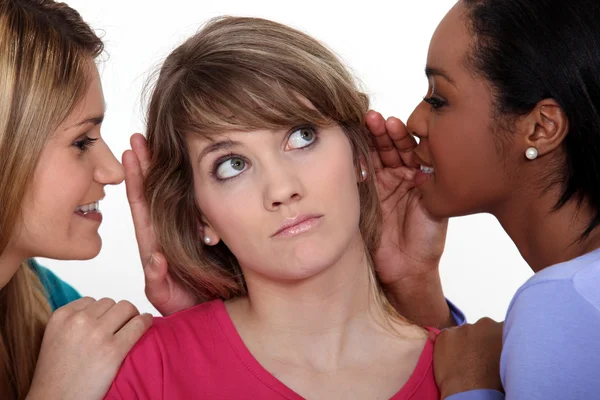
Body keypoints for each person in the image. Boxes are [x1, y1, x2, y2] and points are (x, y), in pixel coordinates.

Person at [104, 16, 459, 399]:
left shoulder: (470, 368)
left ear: (359, 153)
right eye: (232, 165)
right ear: (200, 217)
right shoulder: (145, 370)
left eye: (301, 136)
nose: (282, 189)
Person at [369, 0, 600, 398]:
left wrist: (471, 386)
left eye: (439, 99)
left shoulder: (560, 303)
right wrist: (415, 281)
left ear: (541, 128)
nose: (413, 122)